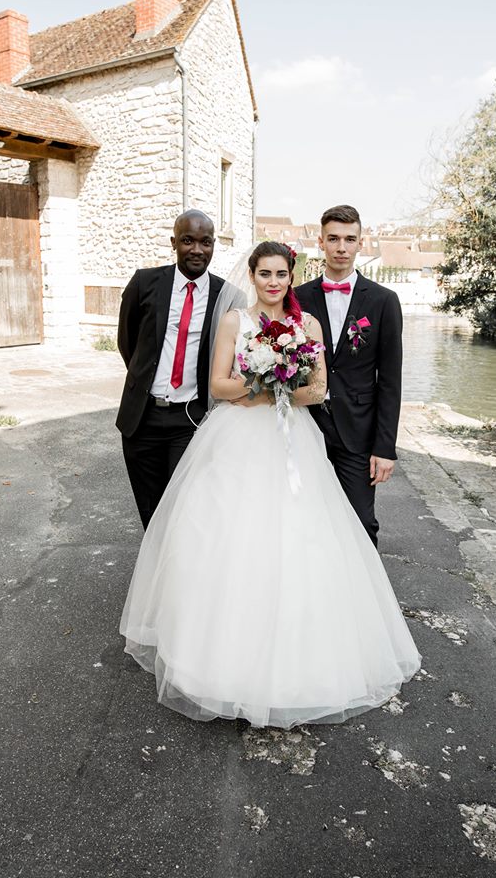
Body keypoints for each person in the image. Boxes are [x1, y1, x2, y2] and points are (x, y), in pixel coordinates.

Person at [120, 240, 420, 729]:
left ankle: (298, 658)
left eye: (282, 274)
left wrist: (277, 384)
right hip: (236, 438)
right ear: (253, 276)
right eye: (265, 274)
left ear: (291, 275)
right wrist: (264, 384)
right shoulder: (236, 322)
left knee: (300, 537)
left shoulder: (308, 326)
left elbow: (317, 389)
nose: (274, 283)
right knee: (227, 537)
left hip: (291, 440)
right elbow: (218, 384)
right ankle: (213, 657)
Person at [116, 209, 246, 529]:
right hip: (141, 418)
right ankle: (156, 575)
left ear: (214, 245)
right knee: (150, 511)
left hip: (190, 419)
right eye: (188, 240)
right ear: (174, 242)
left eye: (205, 242)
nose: (197, 250)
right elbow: (127, 342)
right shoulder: (144, 283)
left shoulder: (227, 297)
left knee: (183, 511)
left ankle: (178, 575)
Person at [296, 205, 402, 550]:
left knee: (360, 521)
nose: (341, 247)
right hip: (305, 425)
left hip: (358, 431)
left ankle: (363, 600)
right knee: (304, 516)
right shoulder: (297, 298)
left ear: (360, 243)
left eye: (349, 239)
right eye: (334, 238)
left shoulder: (385, 301)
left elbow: (389, 380)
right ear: (321, 242)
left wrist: (384, 448)